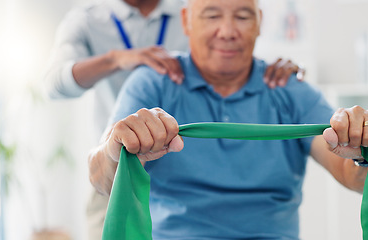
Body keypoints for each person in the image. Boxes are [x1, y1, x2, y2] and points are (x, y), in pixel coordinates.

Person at [88, 0, 368, 238]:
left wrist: (364, 151)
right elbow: (101, 176)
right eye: (211, 15)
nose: (228, 30)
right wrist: (117, 147)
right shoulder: (152, 83)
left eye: (243, 17)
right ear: (186, 21)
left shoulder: (290, 89)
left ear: (259, 22)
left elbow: (351, 173)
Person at [43, 0, 304, 238]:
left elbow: (224, 54)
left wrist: (271, 70)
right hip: (112, 158)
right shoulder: (88, 20)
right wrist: (117, 59)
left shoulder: (190, 9)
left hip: (173, 158)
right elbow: (54, 84)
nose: (224, 28)